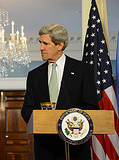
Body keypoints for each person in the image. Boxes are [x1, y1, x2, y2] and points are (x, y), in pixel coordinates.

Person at [21, 23, 99, 160]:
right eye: (40, 43)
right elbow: (26, 109)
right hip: (44, 146)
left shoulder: (83, 70)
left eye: (46, 43)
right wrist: (42, 122)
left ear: (60, 45)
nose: (41, 48)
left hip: (76, 144)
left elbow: (91, 106)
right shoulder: (34, 75)